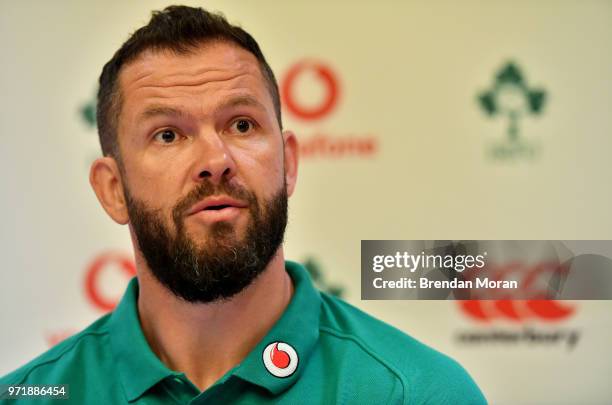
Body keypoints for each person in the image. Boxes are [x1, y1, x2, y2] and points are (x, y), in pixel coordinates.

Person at [0, 5, 486, 404]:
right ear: (112, 188)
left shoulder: (414, 393)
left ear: (288, 163)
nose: (216, 160)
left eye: (241, 125)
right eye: (167, 134)